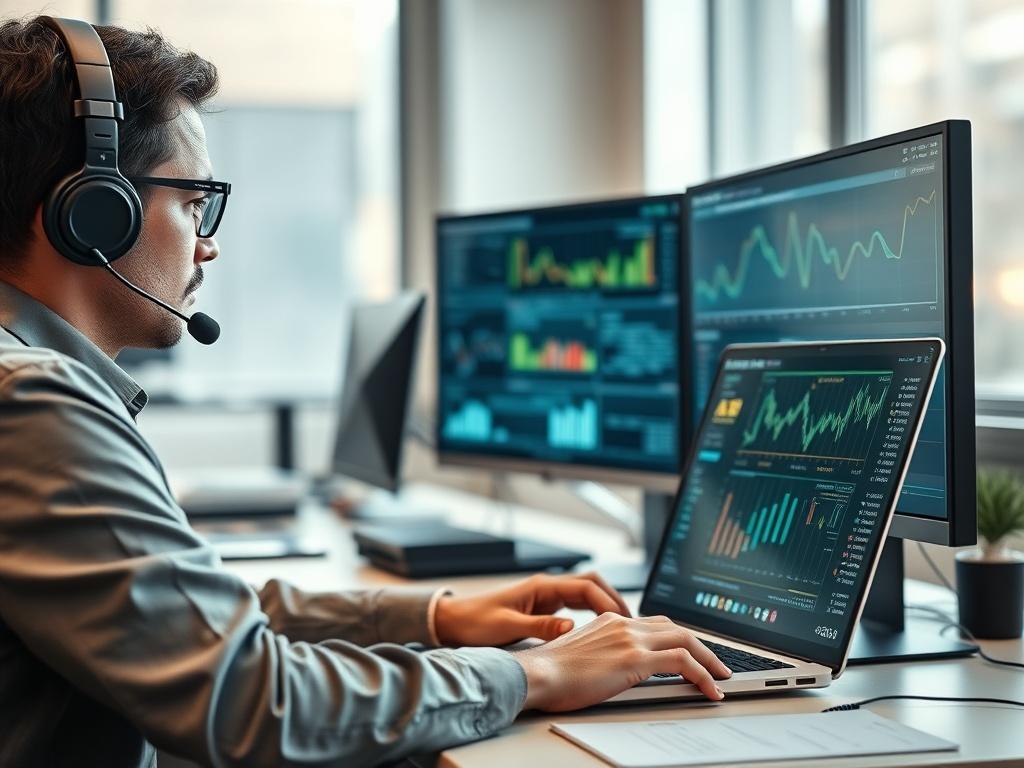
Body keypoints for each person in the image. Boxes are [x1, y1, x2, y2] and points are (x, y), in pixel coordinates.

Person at [0, 16, 730, 768]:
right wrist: (535, 671)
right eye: (194, 203)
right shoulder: (35, 401)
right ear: (90, 212)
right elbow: (249, 697)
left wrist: (439, 617)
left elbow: (183, 615)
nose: (209, 241)